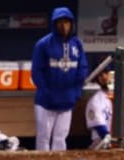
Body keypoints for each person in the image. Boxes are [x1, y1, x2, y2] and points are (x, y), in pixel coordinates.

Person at [31, 7, 88, 151]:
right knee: (43, 138)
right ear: (54, 24)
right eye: (60, 23)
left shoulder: (77, 44)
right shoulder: (43, 44)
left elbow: (82, 68)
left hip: (67, 100)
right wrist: (46, 92)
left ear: (72, 24)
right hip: (46, 101)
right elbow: (37, 72)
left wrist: (76, 91)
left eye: (67, 22)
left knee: (60, 138)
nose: (64, 26)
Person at [85, 67, 113, 150]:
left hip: (115, 140)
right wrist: (109, 140)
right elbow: (99, 126)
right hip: (101, 141)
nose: (104, 77)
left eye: (106, 73)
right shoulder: (95, 100)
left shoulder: (115, 97)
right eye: (100, 75)